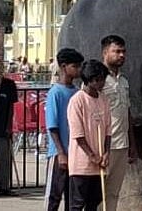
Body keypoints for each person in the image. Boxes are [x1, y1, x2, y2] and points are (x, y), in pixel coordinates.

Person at [67, 60, 112, 211]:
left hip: (99, 164)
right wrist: (92, 155)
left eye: (103, 79)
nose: (102, 83)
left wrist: (106, 153)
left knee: (94, 202)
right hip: (81, 164)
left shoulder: (104, 99)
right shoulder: (77, 101)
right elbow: (78, 134)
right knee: (77, 204)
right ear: (89, 80)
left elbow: (108, 130)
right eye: (98, 80)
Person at [46, 48, 85, 211]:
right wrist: (60, 152)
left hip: (75, 153)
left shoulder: (77, 92)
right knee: (54, 195)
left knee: (73, 196)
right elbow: (52, 126)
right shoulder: (55, 92)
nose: (78, 70)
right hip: (59, 152)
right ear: (63, 66)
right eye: (75, 66)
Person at [100, 35, 136, 211]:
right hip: (104, 145)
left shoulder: (124, 81)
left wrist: (132, 144)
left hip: (122, 143)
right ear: (105, 53)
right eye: (116, 51)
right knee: (99, 192)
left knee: (114, 192)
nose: (121, 55)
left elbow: (127, 113)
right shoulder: (98, 81)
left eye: (123, 51)